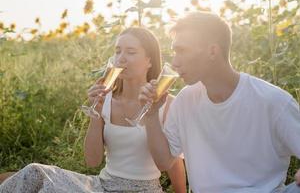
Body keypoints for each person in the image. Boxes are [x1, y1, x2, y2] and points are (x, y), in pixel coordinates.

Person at [0, 27, 186, 193]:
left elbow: (173, 160)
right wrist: (96, 113)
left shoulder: (167, 104)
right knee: (35, 172)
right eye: (117, 51)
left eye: (130, 52)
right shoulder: (104, 100)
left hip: (145, 189)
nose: (121, 58)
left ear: (150, 61)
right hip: (102, 186)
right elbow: (92, 161)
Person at [139, 12, 300, 193]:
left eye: (182, 51)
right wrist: (151, 115)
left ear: (212, 51)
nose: (175, 62)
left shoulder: (273, 102)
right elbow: (164, 161)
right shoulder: (185, 100)